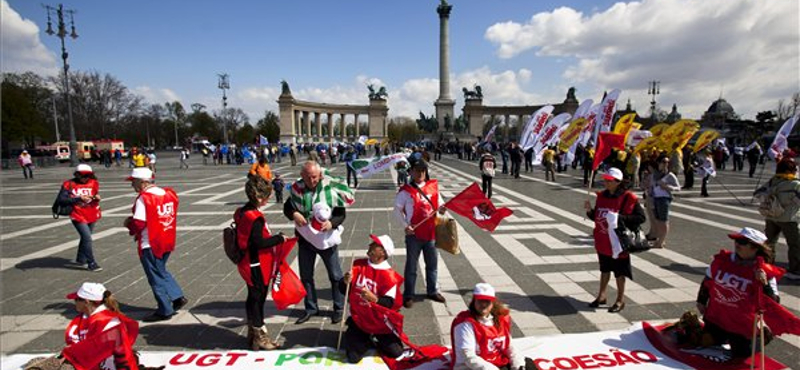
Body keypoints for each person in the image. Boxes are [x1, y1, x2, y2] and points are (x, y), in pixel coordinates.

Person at [284, 161, 353, 324]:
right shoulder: (296, 188)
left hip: (326, 240)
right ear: (302, 176)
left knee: (335, 275)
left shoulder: (329, 189)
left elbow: (341, 213)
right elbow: (287, 207)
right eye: (308, 177)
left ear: (320, 175)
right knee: (306, 275)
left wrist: (332, 223)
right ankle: (311, 308)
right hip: (305, 239)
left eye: (314, 177)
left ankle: (339, 307)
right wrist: (294, 213)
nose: (311, 180)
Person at [695, 228, 781, 358]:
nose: (737, 244)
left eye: (742, 242)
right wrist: (701, 300)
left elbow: (774, 302)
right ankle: (722, 334)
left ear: (755, 248)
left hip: (741, 323)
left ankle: (764, 335)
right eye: (736, 240)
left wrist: (764, 284)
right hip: (717, 316)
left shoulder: (764, 271)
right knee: (705, 341)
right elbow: (707, 281)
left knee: (741, 354)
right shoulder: (722, 259)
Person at [123, 168, 187, 322]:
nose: (133, 185)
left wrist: (129, 225)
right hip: (166, 239)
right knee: (160, 270)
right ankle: (176, 296)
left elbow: (139, 222)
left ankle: (165, 309)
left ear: (143, 182)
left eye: (134, 182)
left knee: (154, 276)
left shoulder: (143, 198)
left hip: (150, 242)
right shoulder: (168, 194)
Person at [340, 234, 412, 363]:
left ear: (383, 253)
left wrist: (375, 299)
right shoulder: (358, 264)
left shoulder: (389, 275)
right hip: (359, 318)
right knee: (353, 357)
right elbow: (343, 290)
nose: (370, 246)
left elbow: (390, 303)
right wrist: (345, 282)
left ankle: (375, 337)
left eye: (375, 245)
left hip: (379, 322)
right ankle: (365, 338)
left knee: (396, 352)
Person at [234, 177, 288, 350]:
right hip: (256, 264)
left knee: (252, 297)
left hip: (246, 262)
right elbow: (258, 242)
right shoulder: (255, 217)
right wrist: (279, 238)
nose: (269, 198)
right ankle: (260, 337)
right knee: (258, 299)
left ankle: (252, 334)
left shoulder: (241, 211)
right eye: (266, 196)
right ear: (258, 197)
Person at [584, 168, 646, 313]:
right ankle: (601, 296)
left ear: (618, 182)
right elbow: (598, 218)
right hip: (603, 241)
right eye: (605, 179)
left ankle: (620, 300)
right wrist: (589, 211)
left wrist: (620, 218)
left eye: (609, 180)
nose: (605, 182)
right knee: (604, 270)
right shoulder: (602, 196)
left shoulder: (628, 197)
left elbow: (641, 218)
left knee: (619, 273)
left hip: (618, 243)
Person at [394, 159, 447, 308]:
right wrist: (405, 225)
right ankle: (409, 294)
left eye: (423, 170)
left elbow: (440, 204)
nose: (420, 173)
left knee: (432, 265)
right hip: (414, 235)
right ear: (411, 172)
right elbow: (397, 210)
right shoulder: (405, 191)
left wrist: (442, 209)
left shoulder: (433, 187)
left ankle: (432, 290)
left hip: (431, 233)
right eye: (417, 170)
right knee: (411, 266)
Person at [61, 282, 139, 370]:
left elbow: (117, 354)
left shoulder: (110, 322)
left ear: (86, 301)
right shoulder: (84, 318)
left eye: (77, 299)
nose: (75, 302)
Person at [450, 283, 524, 370]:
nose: (483, 305)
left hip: (496, 361)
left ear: (493, 303)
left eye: (487, 301)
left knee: (526, 364)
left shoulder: (500, 318)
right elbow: (468, 356)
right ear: (474, 301)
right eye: (480, 301)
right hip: (472, 367)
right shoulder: (464, 323)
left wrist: (518, 365)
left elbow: (509, 346)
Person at [754, 158, 800, 280]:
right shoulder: (795, 185)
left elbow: (757, 194)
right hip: (789, 219)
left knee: (770, 243)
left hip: (771, 217)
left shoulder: (772, 182)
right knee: (795, 244)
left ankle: (768, 265)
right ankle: (795, 269)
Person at [62, 164, 103, 271]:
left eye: (88, 175)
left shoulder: (94, 183)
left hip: (92, 213)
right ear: (77, 175)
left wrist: (96, 197)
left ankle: (81, 259)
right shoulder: (69, 184)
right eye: (83, 175)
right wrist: (78, 198)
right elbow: (61, 200)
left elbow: (95, 195)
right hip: (77, 214)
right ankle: (91, 262)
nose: (85, 178)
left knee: (86, 238)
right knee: (87, 238)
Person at [646, 154, 680, 249]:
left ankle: (661, 241)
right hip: (655, 198)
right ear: (659, 163)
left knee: (664, 221)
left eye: (668, 162)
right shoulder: (654, 175)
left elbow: (678, 188)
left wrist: (667, 187)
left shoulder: (670, 175)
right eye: (664, 162)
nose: (666, 164)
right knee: (657, 220)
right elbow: (651, 186)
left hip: (664, 199)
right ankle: (660, 239)